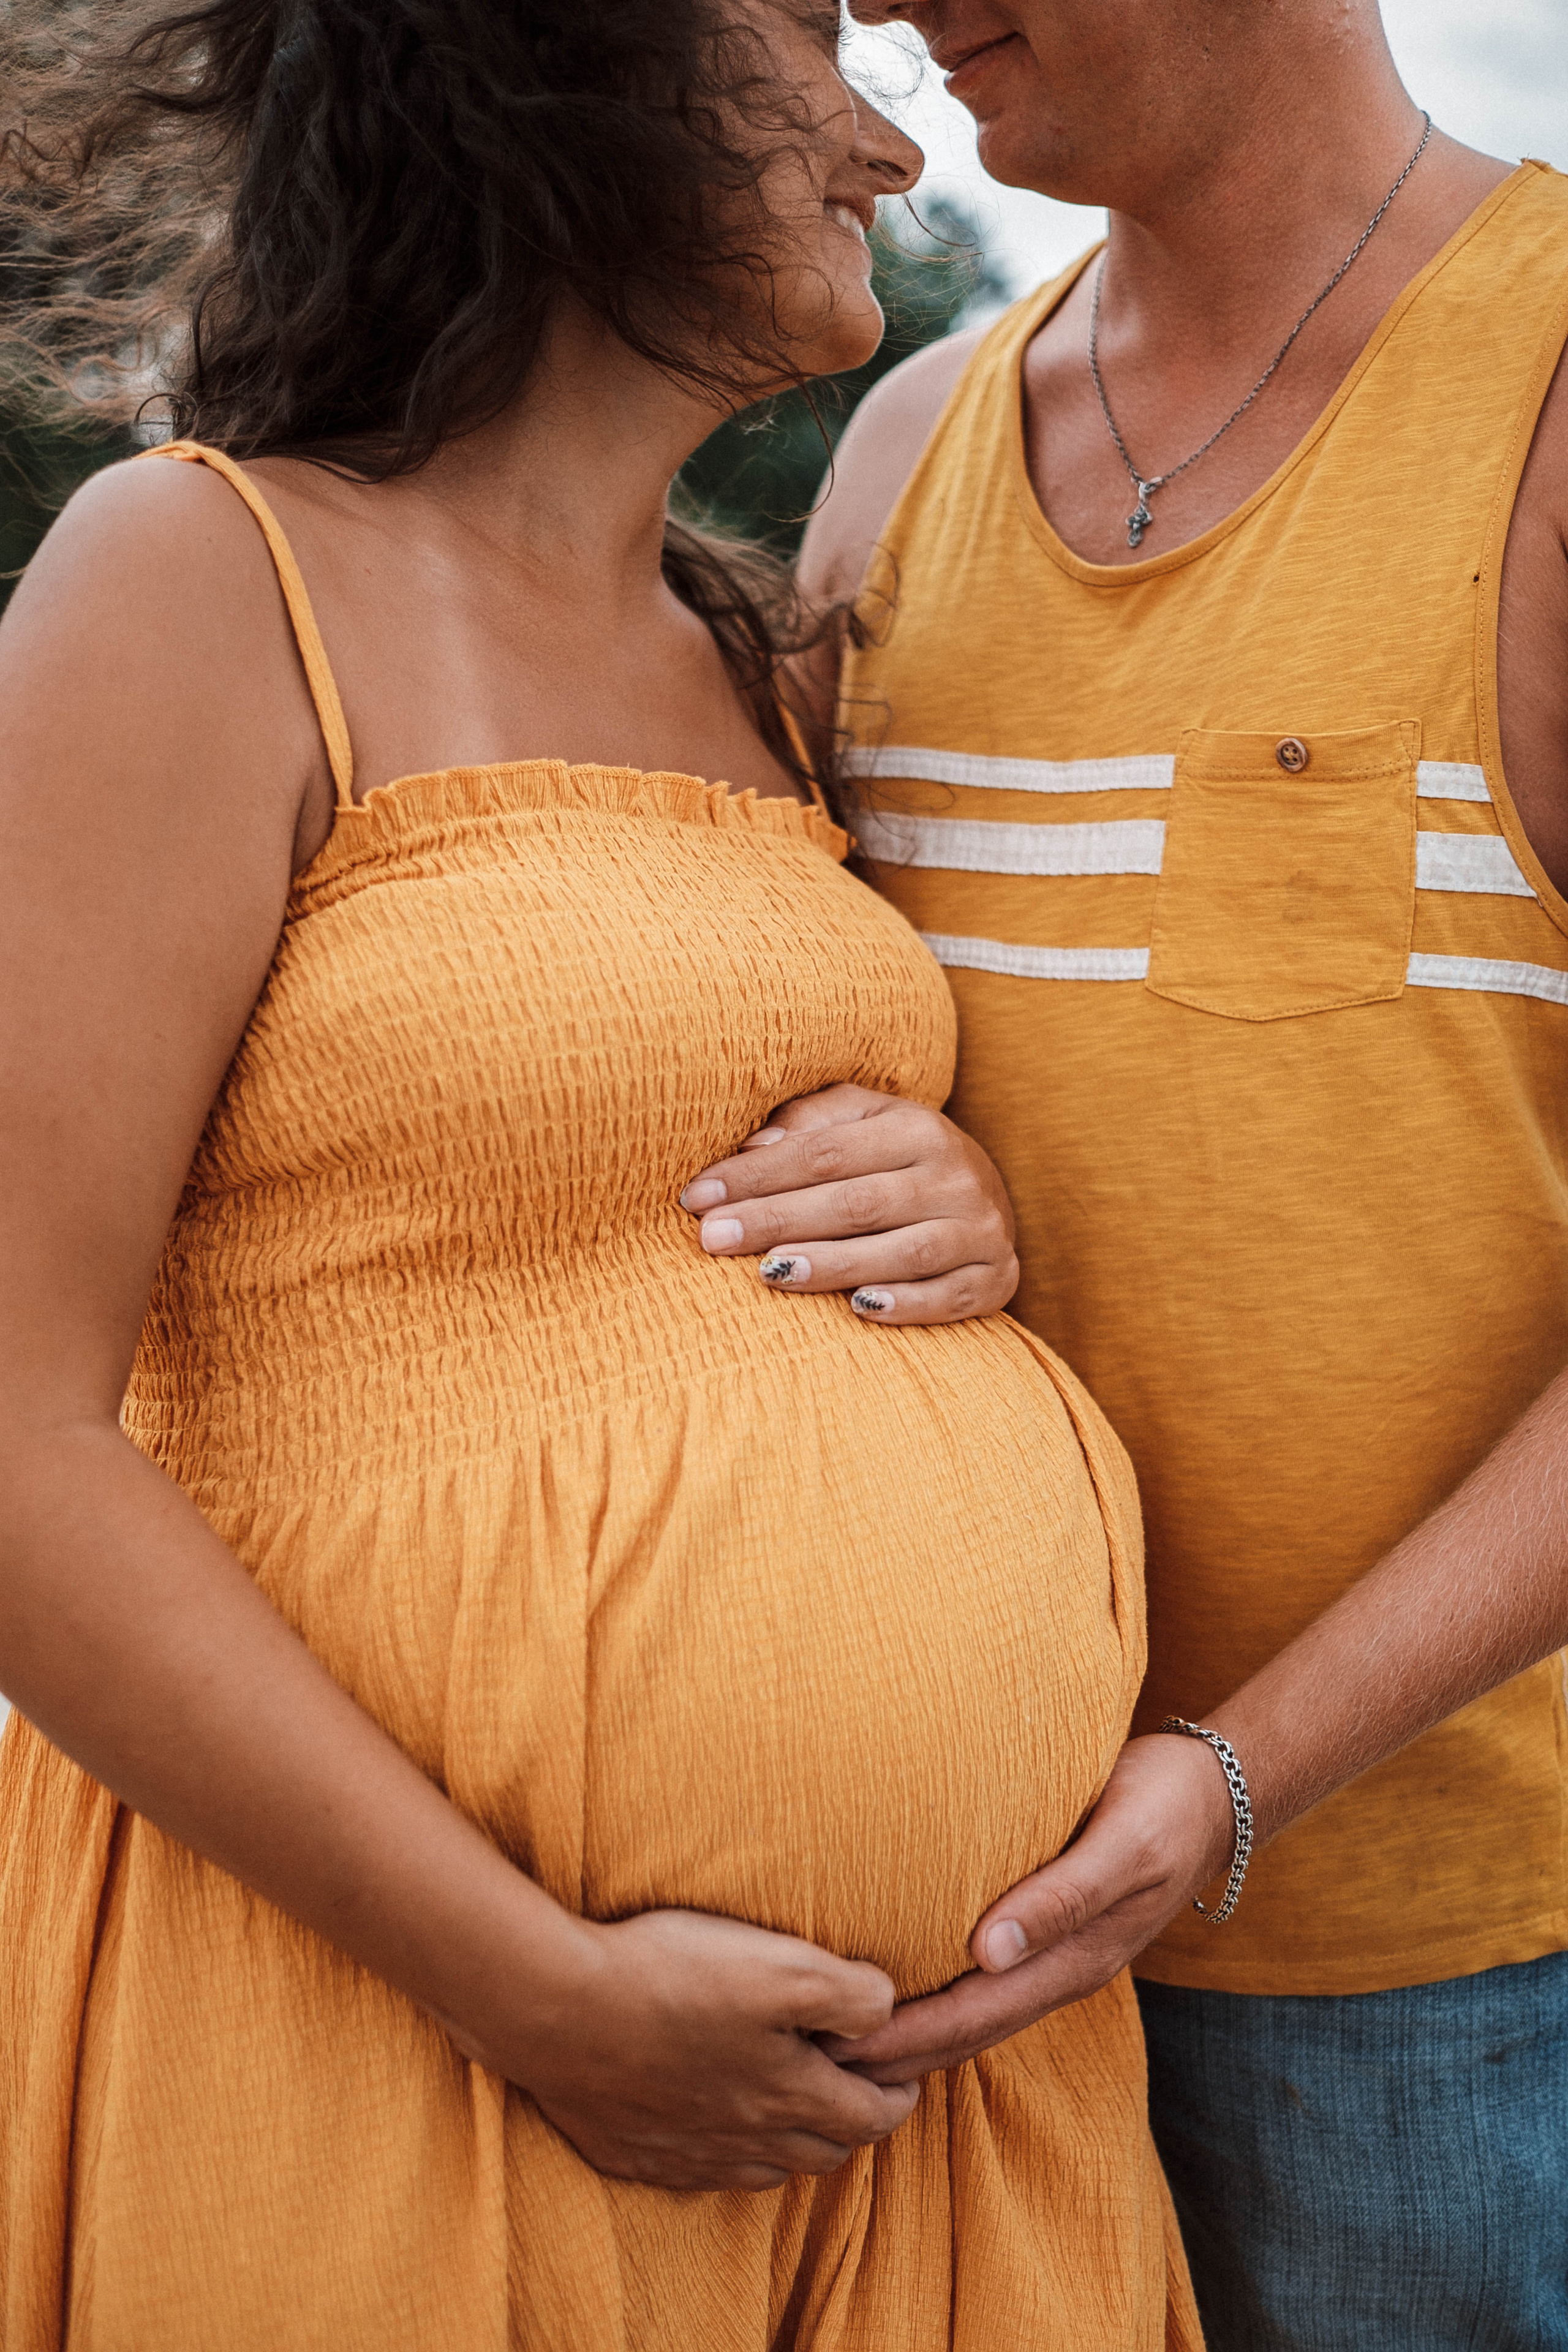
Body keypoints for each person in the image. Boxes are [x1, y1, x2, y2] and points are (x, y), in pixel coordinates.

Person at [0, 4, 1204, 2348]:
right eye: (802, 47)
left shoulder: (753, 657)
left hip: (948, 2115)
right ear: (553, 66)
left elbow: (626, 1165)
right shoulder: (200, 573)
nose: (882, 141)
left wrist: (961, 1187)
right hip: (415, 2038)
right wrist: (533, 1985)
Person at [761, 1, 1568, 2345]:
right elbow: (804, 1069)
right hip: (920, 1945)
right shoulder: (901, 447)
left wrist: (1231, 1786)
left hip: (1430, 1985)